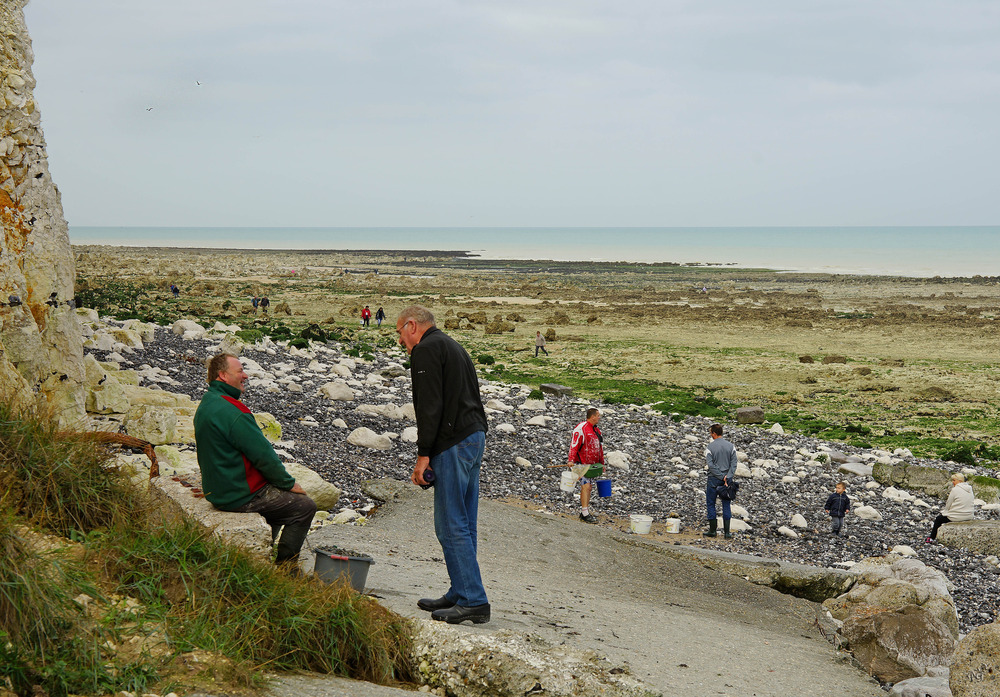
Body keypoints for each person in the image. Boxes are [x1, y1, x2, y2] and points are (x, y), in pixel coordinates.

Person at [397, 305, 490, 624]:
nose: (400, 342)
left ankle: (474, 599)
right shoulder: (454, 346)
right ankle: (461, 590)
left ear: (412, 325)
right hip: (474, 437)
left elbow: (429, 407)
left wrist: (424, 456)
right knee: (465, 521)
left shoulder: (425, 350)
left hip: (453, 442)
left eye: (399, 333)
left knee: (450, 523)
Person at [194, 353, 317, 572]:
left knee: (279, 503)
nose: (246, 375)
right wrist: (289, 484)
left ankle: (262, 556)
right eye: (240, 371)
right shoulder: (234, 412)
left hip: (217, 489)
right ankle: (286, 570)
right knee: (303, 507)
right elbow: (264, 456)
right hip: (238, 494)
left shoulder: (208, 402)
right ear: (222, 375)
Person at [568, 408, 604, 524]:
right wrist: (571, 459)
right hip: (581, 463)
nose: (599, 417)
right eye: (598, 415)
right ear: (592, 416)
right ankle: (584, 513)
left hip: (591, 465)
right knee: (586, 487)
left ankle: (585, 511)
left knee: (589, 488)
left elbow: (599, 448)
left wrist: (601, 463)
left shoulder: (597, 430)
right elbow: (574, 444)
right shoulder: (581, 428)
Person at [705, 423, 737, 538]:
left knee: (711, 503)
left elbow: (711, 465)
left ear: (714, 433)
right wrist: (728, 476)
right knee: (726, 504)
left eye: (711, 433)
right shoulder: (731, 446)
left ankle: (712, 531)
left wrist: (719, 475)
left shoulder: (710, 447)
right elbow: (734, 463)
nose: (711, 435)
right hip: (727, 480)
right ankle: (727, 533)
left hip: (714, 479)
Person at [927, 473, 975, 542]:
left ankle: (931, 538)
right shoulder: (970, 489)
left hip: (958, 517)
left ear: (959, 481)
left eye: (954, 480)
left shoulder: (955, 490)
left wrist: (945, 512)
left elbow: (948, 504)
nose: (953, 482)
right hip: (969, 516)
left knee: (938, 519)